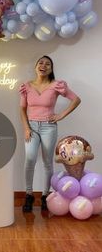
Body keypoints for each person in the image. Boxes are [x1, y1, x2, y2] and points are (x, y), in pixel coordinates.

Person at [19, 55, 81, 212]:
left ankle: (46, 196)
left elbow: (76, 100)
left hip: (49, 127)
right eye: (41, 63)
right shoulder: (27, 86)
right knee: (30, 159)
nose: (43, 65)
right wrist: (26, 128)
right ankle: (29, 195)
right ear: (35, 67)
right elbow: (22, 109)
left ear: (51, 69)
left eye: (48, 64)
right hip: (31, 127)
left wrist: (60, 115)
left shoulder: (56, 85)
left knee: (48, 162)